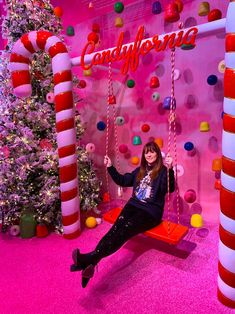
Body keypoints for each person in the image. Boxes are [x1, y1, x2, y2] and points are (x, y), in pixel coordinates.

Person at [70, 141, 175, 288]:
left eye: (152, 151)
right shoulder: (140, 170)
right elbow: (123, 180)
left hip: (150, 212)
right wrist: (110, 167)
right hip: (133, 206)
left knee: (124, 231)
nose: (149, 154)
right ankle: (90, 262)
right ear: (144, 155)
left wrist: (170, 169)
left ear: (158, 154)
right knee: (115, 229)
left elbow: (168, 188)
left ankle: (89, 259)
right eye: (146, 152)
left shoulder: (163, 171)